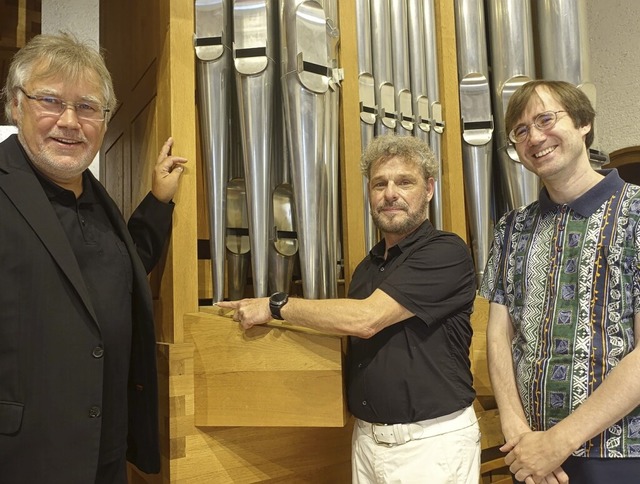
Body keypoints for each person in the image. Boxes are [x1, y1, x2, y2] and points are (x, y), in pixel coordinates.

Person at [218, 134, 480, 483]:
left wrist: (275, 305)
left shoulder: (445, 251)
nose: (390, 193)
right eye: (379, 184)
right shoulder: (366, 269)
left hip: (431, 444)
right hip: (367, 441)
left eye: (405, 182)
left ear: (429, 189)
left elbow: (365, 320)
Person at [0, 33, 187, 483]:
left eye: (87, 107)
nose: (70, 121)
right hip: (25, 456)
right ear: (13, 105)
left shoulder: (98, 203)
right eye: (50, 100)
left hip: (106, 450)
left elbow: (117, 273)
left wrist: (158, 202)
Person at [480, 79, 640, 484]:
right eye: (520, 130)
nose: (534, 136)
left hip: (618, 456)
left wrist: (559, 442)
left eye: (545, 119)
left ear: (584, 123)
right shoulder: (510, 228)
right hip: (531, 459)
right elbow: (498, 335)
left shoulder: (637, 211)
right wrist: (519, 436)